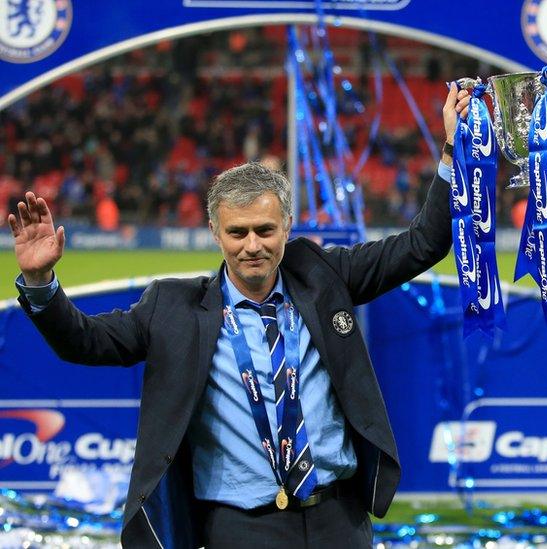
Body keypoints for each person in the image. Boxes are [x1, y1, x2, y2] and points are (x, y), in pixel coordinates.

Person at [6, 86, 471, 548]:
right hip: (240, 529)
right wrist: (42, 283)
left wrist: (451, 150)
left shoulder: (325, 277)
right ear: (215, 232)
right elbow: (84, 341)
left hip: (339, 520)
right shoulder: (173, 308)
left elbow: (421, 244)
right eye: (238, 232)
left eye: (266, 230)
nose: (253, 245)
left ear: (287, 227)